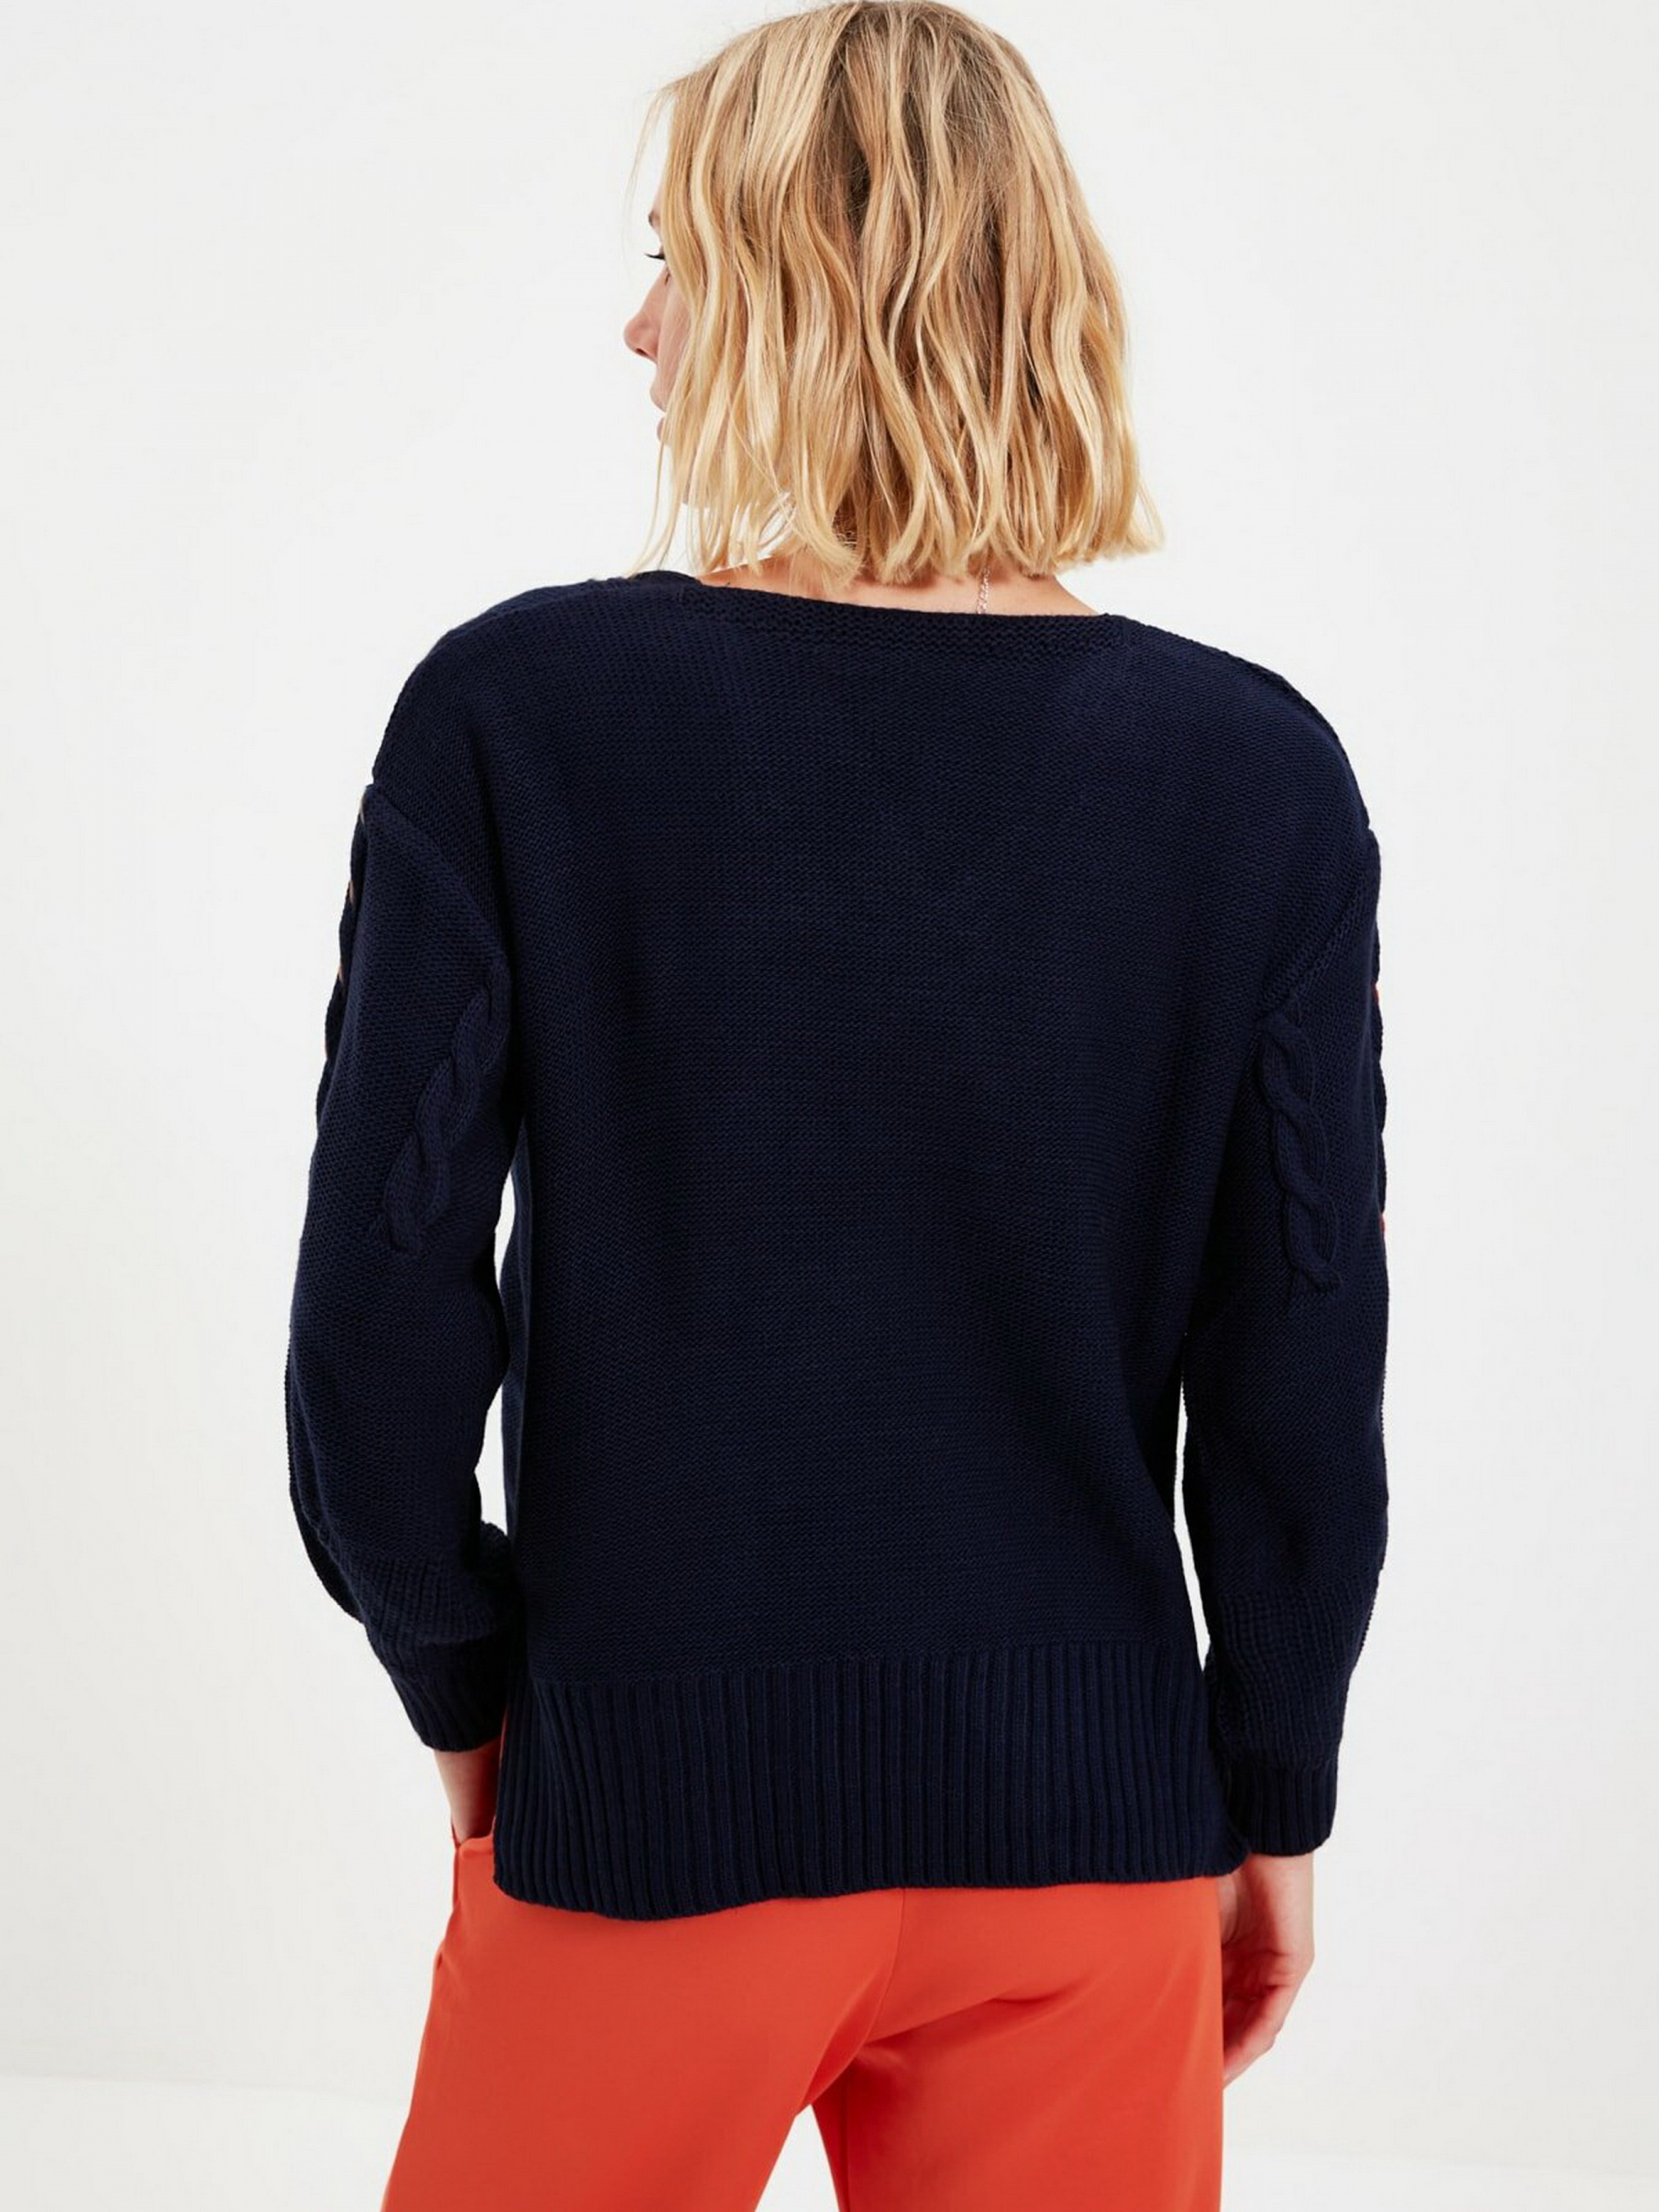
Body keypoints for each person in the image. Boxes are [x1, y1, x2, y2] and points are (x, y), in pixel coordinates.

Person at [283, 4, 1391, 2206]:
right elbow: (1299, 1371)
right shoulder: (1252, 774)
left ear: (807, 287)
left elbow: (375, 1341)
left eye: (677, 260)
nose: (639, 327)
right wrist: (1269, 1790)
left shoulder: (523, 716)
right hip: (1088, 1859)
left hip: (648, 1828)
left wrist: (472, 1691)